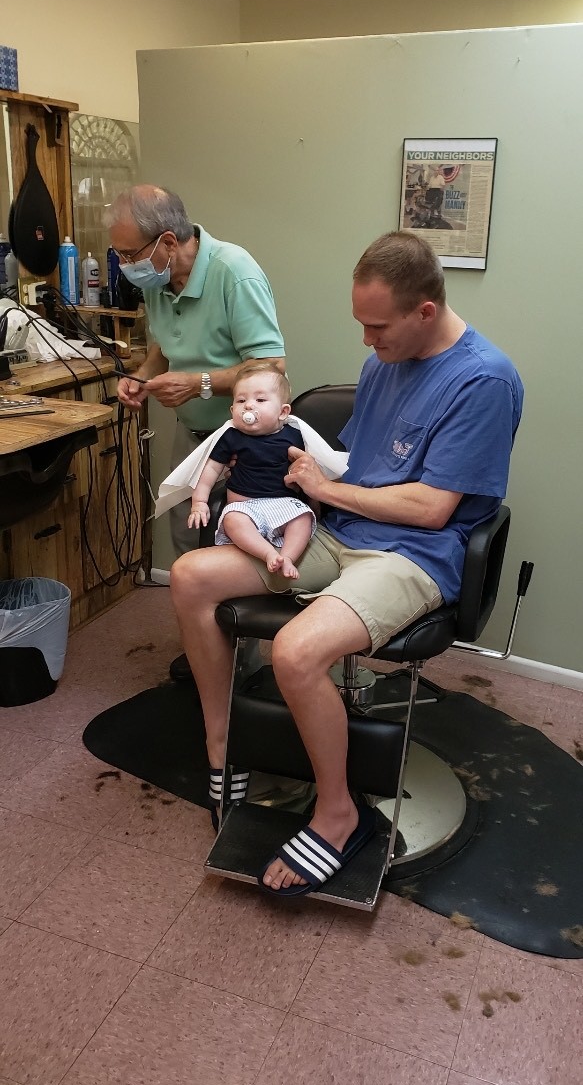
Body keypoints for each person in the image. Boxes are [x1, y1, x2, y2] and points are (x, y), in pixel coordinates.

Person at [170, 230, 523, 898]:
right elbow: (356, 468)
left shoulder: (483, 380)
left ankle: (339, 814)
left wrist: (322, 490)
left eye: (377, 326)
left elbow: (428, 509)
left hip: (415, 552)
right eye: (360, 324)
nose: (366, 341)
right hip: (342, 532)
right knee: (191, 577)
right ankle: (223, 746)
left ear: (424, 311)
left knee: (296, 653)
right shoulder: (384, 362)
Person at [107, 185, 286, 559]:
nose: (124, 265)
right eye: (118, 253)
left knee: (236, 545)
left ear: (168, 242)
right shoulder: (159, 278)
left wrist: (198, 384)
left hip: (244, 439)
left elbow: (270, 366)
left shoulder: (234, 272)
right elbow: (165, 345)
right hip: (190, 437)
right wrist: (141, 375)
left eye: (128, 254)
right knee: (187, 540)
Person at [187, 363, 316, 580]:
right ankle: (268, 554)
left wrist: (313, 504)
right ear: (232, 410)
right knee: (232, 520)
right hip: (244, 507)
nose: (248, 406)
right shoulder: (230, 437)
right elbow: (210, 468)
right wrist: (199, 502)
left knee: (303, 518)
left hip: (282, 504)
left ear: (283, 412)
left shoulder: (294, 436)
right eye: (241, 400)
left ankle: (287, 558)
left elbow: (308, 470)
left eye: (260, 400)